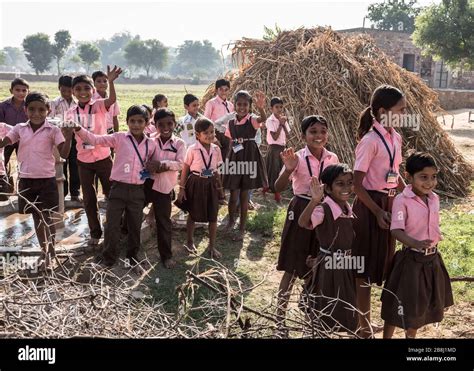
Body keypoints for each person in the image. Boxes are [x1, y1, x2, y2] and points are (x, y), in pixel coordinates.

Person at [273, 115, 339, 331]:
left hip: (322, 212)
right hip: (301, 209)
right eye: (313, 132)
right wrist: (290, 168)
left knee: (317, 265)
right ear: (303, 136)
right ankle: (280, 318)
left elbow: (336, 189)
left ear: (327, 135)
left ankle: (312, 316)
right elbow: (277, 186)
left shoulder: (333, 158)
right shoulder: (297, 158)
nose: (318, 136)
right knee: (292, 266)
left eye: (322, 131)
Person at [352, 85, 406, 337]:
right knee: (363, 269)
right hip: (370, 207)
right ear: (383, 112)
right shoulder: (370, 141)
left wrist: (410, 198)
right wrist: (376, 211)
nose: (404, 114)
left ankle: (367, 321)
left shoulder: (395, 137)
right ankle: (363, 326)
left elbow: (395, 175)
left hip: (389, 204)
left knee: (379, 266)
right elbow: (356, 184)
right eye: (400, 110)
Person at [73, 105, 156, 268]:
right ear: (127, 122)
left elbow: (154, 166)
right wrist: (78, 129)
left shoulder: (151, 145)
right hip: (117, 189)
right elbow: (95, 139)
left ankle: (132, 257)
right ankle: (109, 258)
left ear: (146, 123)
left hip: (138, 191)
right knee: (112, 225)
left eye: (140, 121)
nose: (136, 125)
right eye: (132, 121)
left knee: (134, 225)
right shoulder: (119, 138)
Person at [381, 152, 453, 338]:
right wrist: (416, 243)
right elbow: (396, 230)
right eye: (423, 177)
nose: (429, 182)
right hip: (410, 261)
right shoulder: (401, 200)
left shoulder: (435, 199)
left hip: (432, 260)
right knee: (398, 306)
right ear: (408, 177)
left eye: (433, 177)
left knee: (418, 308)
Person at [0, 92, 73, 271]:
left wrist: (69, 135)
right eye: (32, 109)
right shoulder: (19, 128)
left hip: (46, 180)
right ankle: (44, 250)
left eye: (41, 109)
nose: (36, 113)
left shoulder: (53, 130)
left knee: (47, 217)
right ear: (26, 110)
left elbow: (63, 154)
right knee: (37, 218)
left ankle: (51, 252)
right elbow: (6, 141)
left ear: (48, 111)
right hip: (26, 180)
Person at [66, 65, 122, 246]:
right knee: (89, 199)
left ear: (92, 90)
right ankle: (95, 233)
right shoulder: (70, 113)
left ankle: (117, 228)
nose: (83, 92)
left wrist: (111, 82)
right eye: (78, 89)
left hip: (104, 158)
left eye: (86, 88)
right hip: (83, 161)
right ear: (73, 92)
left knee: (112, 194)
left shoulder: (98, 105)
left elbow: (112, 99)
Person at [298, 164, 358, 333]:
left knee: (345, 301)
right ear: (328, 189)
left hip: (345, 264)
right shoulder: (323, 209)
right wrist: (314, 200)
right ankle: (317, 332)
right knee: (326, 302)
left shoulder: (347, 208)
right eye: (340, 183)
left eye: (350, 183)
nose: (346, 188)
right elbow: (303, 222)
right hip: (329, 265)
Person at [222, 90, 268, 241]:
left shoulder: (252, 120)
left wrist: (261, 107)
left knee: (243, 196)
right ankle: (230, 221)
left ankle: (242, 228)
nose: (242, 107)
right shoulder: (230, 122)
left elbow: (263, 118)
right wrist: (228, 161)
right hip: (235, 158)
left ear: (250, 106)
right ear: (234, 105)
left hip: (249, 157)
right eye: (239, 104)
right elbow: (230, 142)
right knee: (233, 193)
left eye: (245, 104)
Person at [176, 117, 224, 259]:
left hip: (211, 184)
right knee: (193, 213)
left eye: (212, 132)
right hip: (196, 182)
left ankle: (212, 246)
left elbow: (217, 171)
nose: (210, 135)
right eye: (206, 133)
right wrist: (182, 188)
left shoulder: (216, 149)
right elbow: (185, 169)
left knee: (213, 215)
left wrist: (221, 190)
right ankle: (190, 241)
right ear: (197, 135)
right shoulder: (192, 149)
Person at [146, 108, 186, 268]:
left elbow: (181, 163)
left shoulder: (179, 143)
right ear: (154, 125)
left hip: (164, 187)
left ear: (174, 124)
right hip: (146, 184)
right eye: (160, 124)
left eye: (169, 123)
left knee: (163, 221)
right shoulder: (149, 141)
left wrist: (163, 165)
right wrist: (149, 165)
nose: (165, 127)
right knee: (132, 214)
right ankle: (129, 248)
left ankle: (166, 256)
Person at [49, 74, 81, 203]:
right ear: (59, 88)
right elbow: (50, 120)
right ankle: (62, 192)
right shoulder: (54, 103)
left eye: (70, 90)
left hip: (75, 137)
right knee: (61, 164)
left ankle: (75, 193)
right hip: (60, 137)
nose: (67, 93)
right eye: (64, 90)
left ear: (73, 90)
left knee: (75, 165)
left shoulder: (77, 103)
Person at [0, 77, 29, 191]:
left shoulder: (30, 106)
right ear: (11, 91)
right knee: (3, 161)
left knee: (24, 163)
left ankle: (23, 188)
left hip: (24, 139)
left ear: (28, 92)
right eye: (17, 90)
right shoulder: (3, 106)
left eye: (24, 90)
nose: (21, 93)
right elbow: (1, 124)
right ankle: (5, 186)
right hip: (7, 138)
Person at [265, 97, 290, 203]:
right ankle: (276, 193)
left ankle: (269, 189)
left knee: (281, 170)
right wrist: (280, 124)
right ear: (271, 108)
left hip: (282, 147)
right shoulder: (270, 120)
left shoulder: (283, 119)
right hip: (274, 148)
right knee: (274, 171)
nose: (279, 109)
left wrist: (283, 124)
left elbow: (288, 135)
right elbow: (275, 137)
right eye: (276, 107)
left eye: (281, 107)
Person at [204, 79, 234, 160]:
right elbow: (205, 121)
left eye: (226, 89)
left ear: (229, 90)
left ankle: (225, 172)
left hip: (227, 134)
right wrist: (213, 138)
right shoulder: (211, 103)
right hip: (216, 134)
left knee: (226, 157)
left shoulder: (230, 105)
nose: (223, 92)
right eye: (221, 89)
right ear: (216, 90)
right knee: (215, 158)